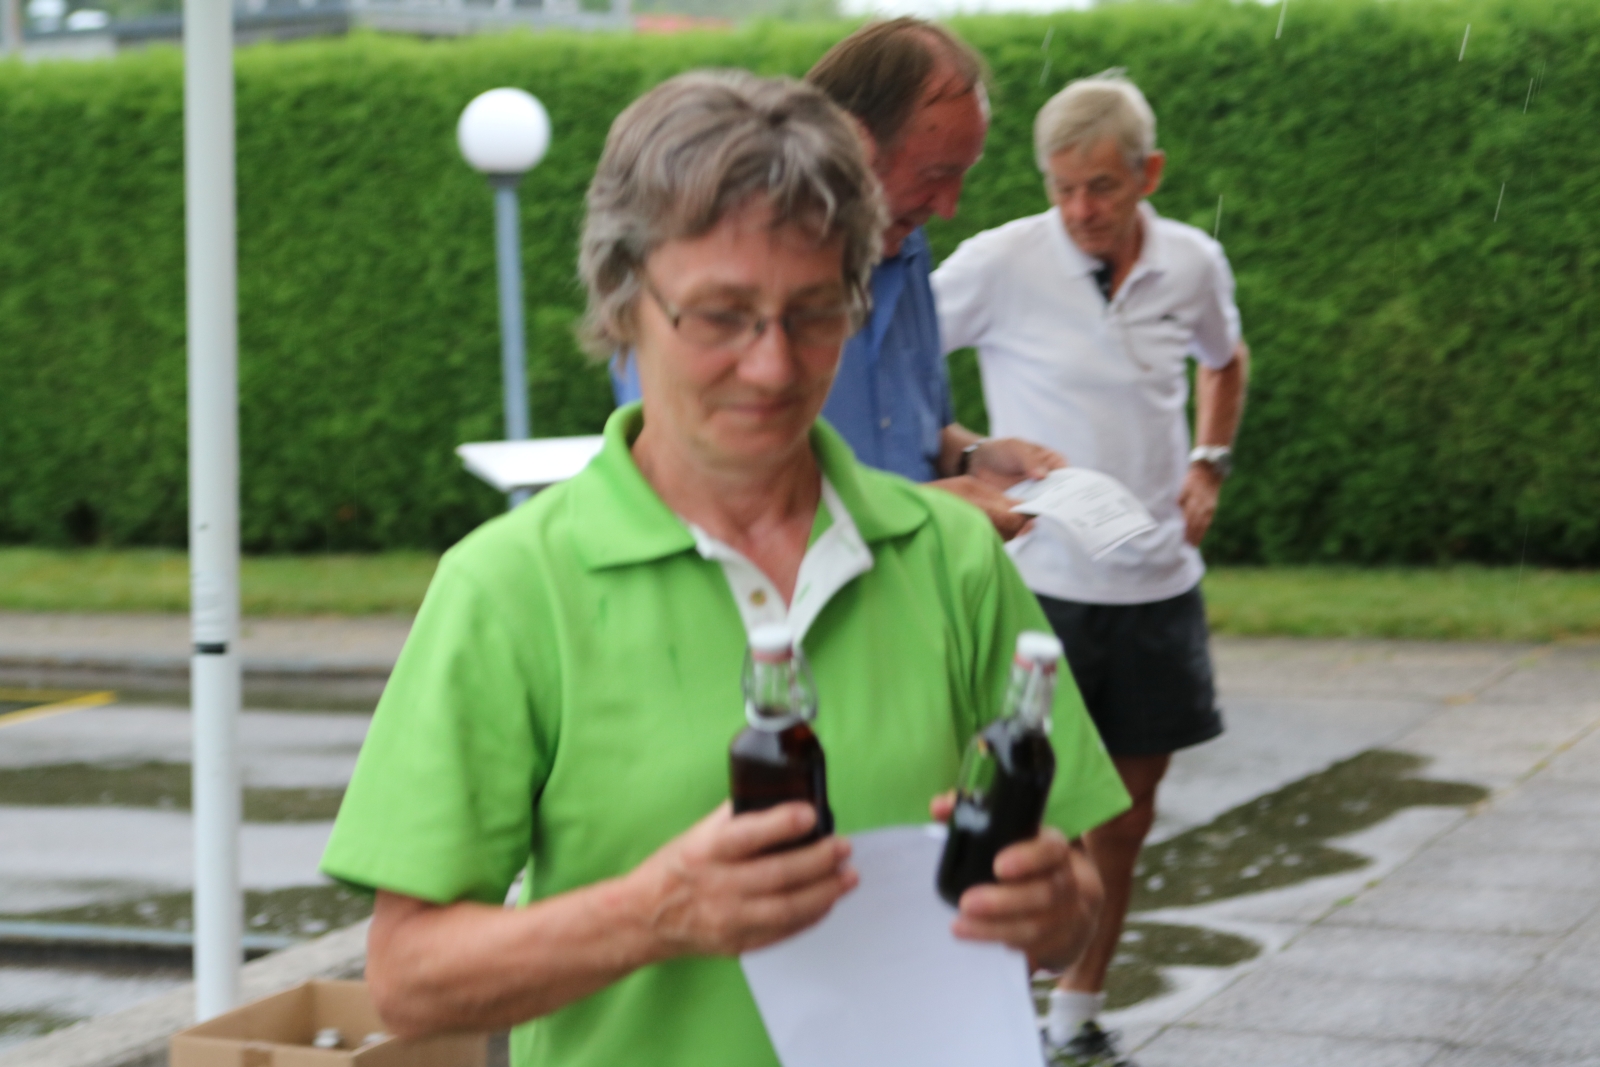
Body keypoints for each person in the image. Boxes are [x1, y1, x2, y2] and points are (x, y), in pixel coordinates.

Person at [321, 70, 1131, 1067]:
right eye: (719, 314)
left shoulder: (953, 556)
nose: (773, 366)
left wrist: (1053, 909)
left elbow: (1071, 894)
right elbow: (407, 978)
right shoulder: (508, 588)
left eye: (815, 312)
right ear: (623, 302)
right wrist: (652, 911)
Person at [932, 71, 1249, 1066]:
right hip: (1039, 587)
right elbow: (887, 359)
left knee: (1125, 817)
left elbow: (1225, 360)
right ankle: (985, 1022)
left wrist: (1208, 461)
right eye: (1062, 187)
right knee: (1019, 816)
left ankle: (1076, 1017)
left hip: (1155, 581)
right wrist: (964, 453)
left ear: (1149, 173)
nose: (1079, 209)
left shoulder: (1193, 262)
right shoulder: (998, 262)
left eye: (1102, 186)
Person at [614, 19, 1065, 540]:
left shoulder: (907, 245)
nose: (949, 206)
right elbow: (697, 493)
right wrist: (917, 510)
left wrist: (971, 456)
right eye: (936, 175)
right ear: (854, 144)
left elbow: (916, 429)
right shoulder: (724, 259)